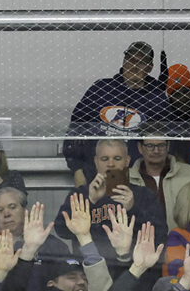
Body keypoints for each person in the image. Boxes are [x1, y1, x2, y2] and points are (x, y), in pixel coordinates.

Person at [63, 41, 173, 185]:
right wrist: (77, 170)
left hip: (138, 179)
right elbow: (75, 130)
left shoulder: (157, 99)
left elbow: (167, 141)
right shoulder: (101, 89)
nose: (134, 66)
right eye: (130, 60)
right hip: (95, 176)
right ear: (123, 61)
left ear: (149, 67)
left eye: (141, 62)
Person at [129, 131, 190, 219]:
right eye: (150, 146)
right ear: (140, 148)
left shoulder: (187, 172)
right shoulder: (128, 177)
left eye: (161, 145)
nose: (156, 151)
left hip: (178, 228)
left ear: (168, 146)